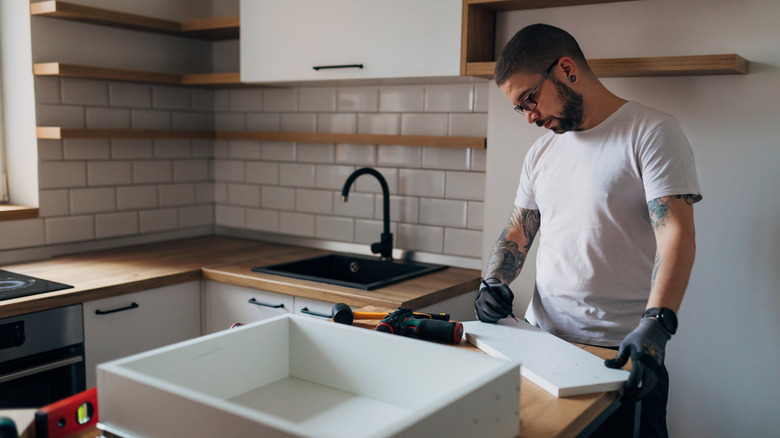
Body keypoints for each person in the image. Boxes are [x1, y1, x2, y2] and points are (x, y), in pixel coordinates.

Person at [474, 24, 701, 437]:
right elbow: (519, 230)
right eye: (519, 108)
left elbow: (676, 234)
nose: (529, 117)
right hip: (539, 342)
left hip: (620, 354)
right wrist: (492, 282)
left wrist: (657, 324)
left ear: (566, 70)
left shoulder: (650, 132)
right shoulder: (542, 151)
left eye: (530, 99)